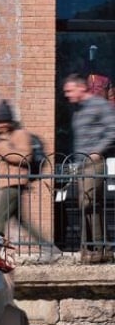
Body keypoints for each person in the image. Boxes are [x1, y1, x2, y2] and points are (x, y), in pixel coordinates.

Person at [0, 100, 50, 249]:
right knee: (21, 221)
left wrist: (1, 149)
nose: (0, 125)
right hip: (6, 182)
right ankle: (49, 248)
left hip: (15, 183)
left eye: (3, 121)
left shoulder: (20, 134)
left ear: (9, 121)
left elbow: (25, 158)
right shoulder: (3, 137)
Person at [62, 73, 115, 263]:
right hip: (81, 165)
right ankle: (96, 250)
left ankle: (96, 248)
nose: (67, 95)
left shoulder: (99, 105)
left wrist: (97, 151)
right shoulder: (77, 111)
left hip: (94, 163)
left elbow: (112, 130)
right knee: (87, 205)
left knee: (88, 204)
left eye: (70, 90)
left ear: (81, 88)